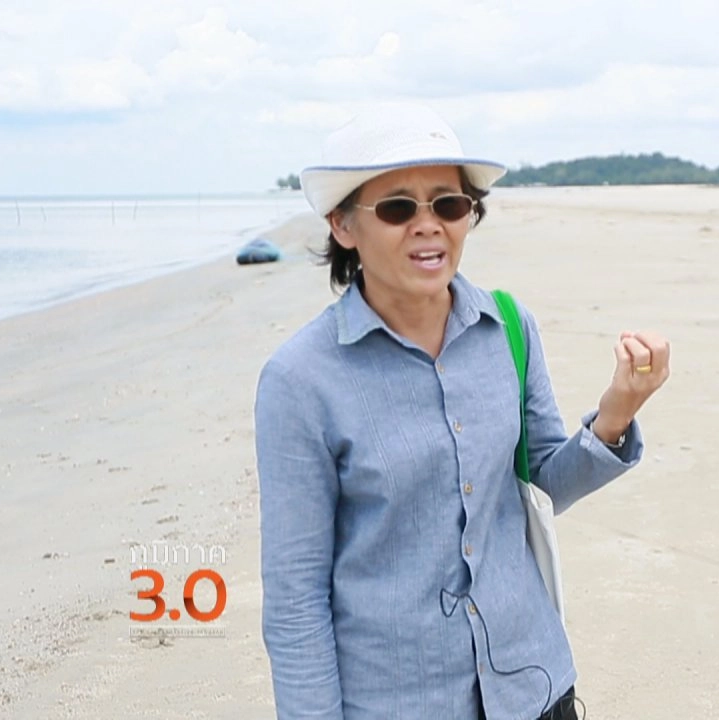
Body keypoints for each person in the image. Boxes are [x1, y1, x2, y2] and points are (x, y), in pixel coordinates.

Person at [253, 102, 670, 720]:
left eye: (448, 204)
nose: (429, 226)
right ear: (343, 226)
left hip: (534, 686)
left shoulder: (508, 327)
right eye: (397, 208)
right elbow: (295, 599)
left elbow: (543, 482)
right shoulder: (300, 379)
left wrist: (615, 413)